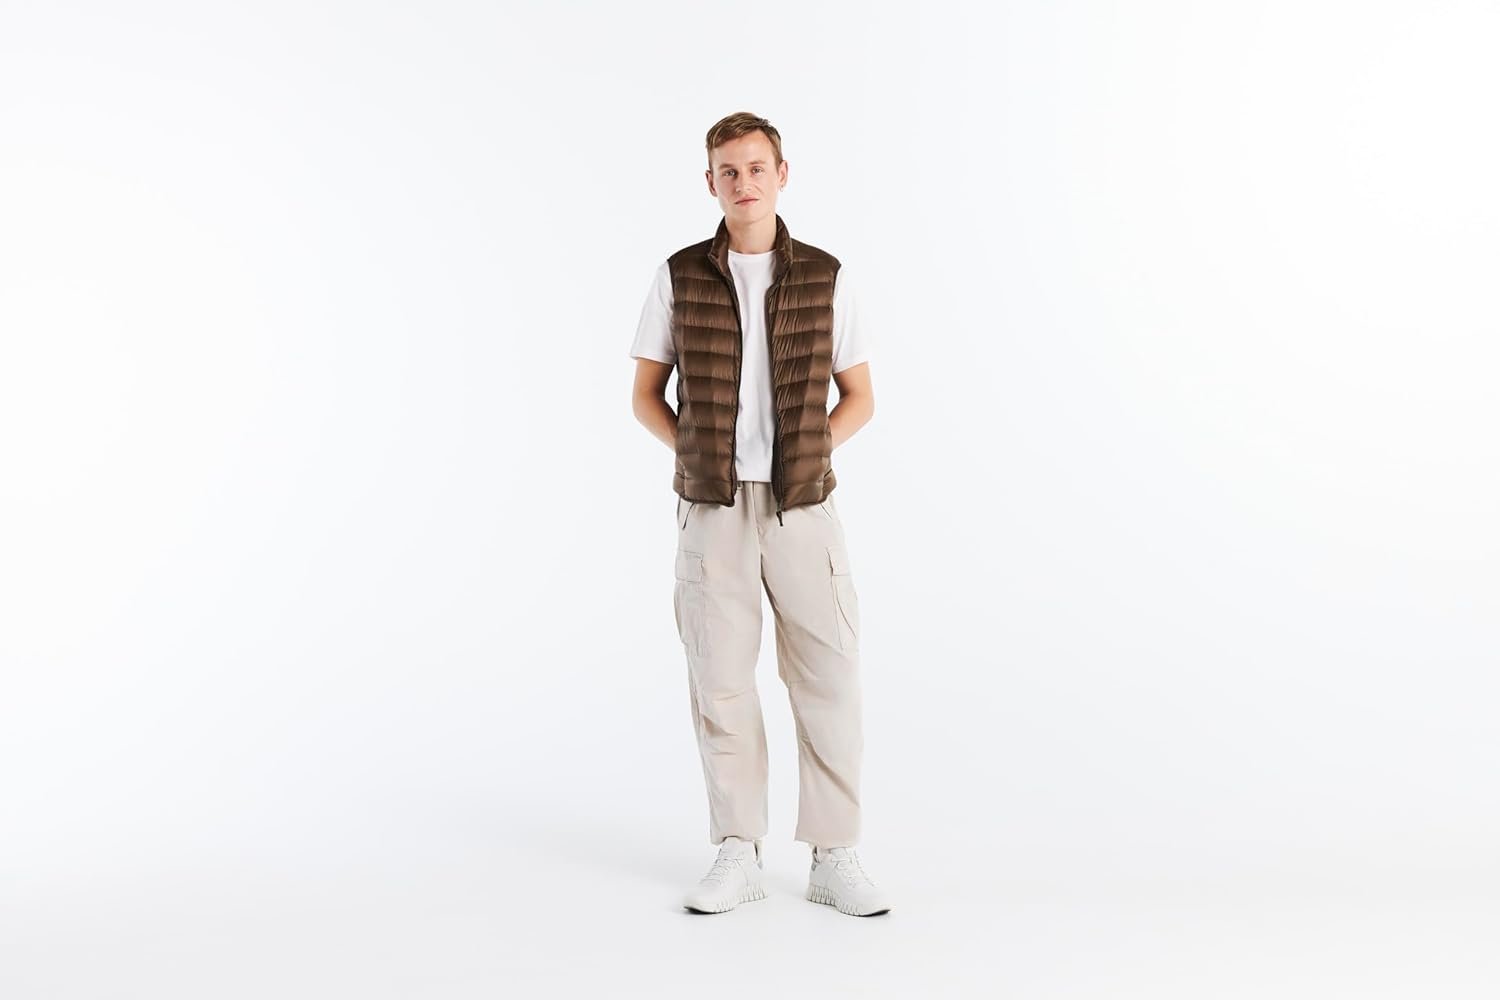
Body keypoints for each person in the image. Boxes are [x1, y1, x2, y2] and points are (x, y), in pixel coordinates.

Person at [629, 112, 891, 917]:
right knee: (721, 681)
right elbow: (645, 396)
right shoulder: (679, 275)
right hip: (713, 509)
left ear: (782, 174)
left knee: (828, 676)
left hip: (803, 506)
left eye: (756, 167)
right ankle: (737, 851)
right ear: (710, 183)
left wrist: (810, 450)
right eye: (728, 171)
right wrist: (696, 455)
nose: (743, 183)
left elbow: (860, 396)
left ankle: (834, 856)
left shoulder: (825, 276)